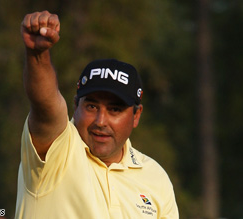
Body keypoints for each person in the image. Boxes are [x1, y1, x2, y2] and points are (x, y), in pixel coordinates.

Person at [15, 10, 179, 219]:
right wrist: (38, 55)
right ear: (75, 106)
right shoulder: (57, 151)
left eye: (115, 109)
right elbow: (45, 104)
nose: (101, 121)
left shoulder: (155, 177)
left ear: (136, 116)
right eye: (91, 107)